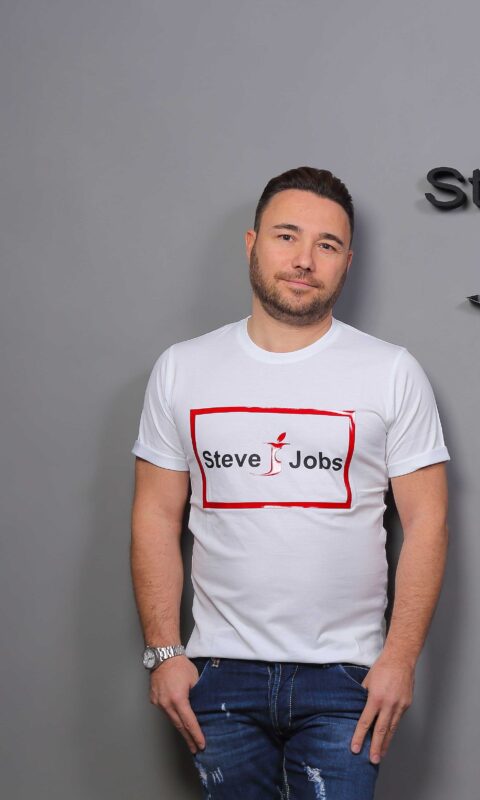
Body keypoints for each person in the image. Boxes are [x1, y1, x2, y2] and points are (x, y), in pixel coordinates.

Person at [130, 166, 450, 798]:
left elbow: (427, 522)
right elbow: (155, 516)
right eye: (287, 236)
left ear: (347, 263)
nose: (304, 260)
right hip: (220, 674)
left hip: (347, 679)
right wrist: (164, 653)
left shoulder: (390, 372)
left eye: (327, 245)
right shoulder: (183, 369)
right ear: (252, 244)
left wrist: (399, 659)